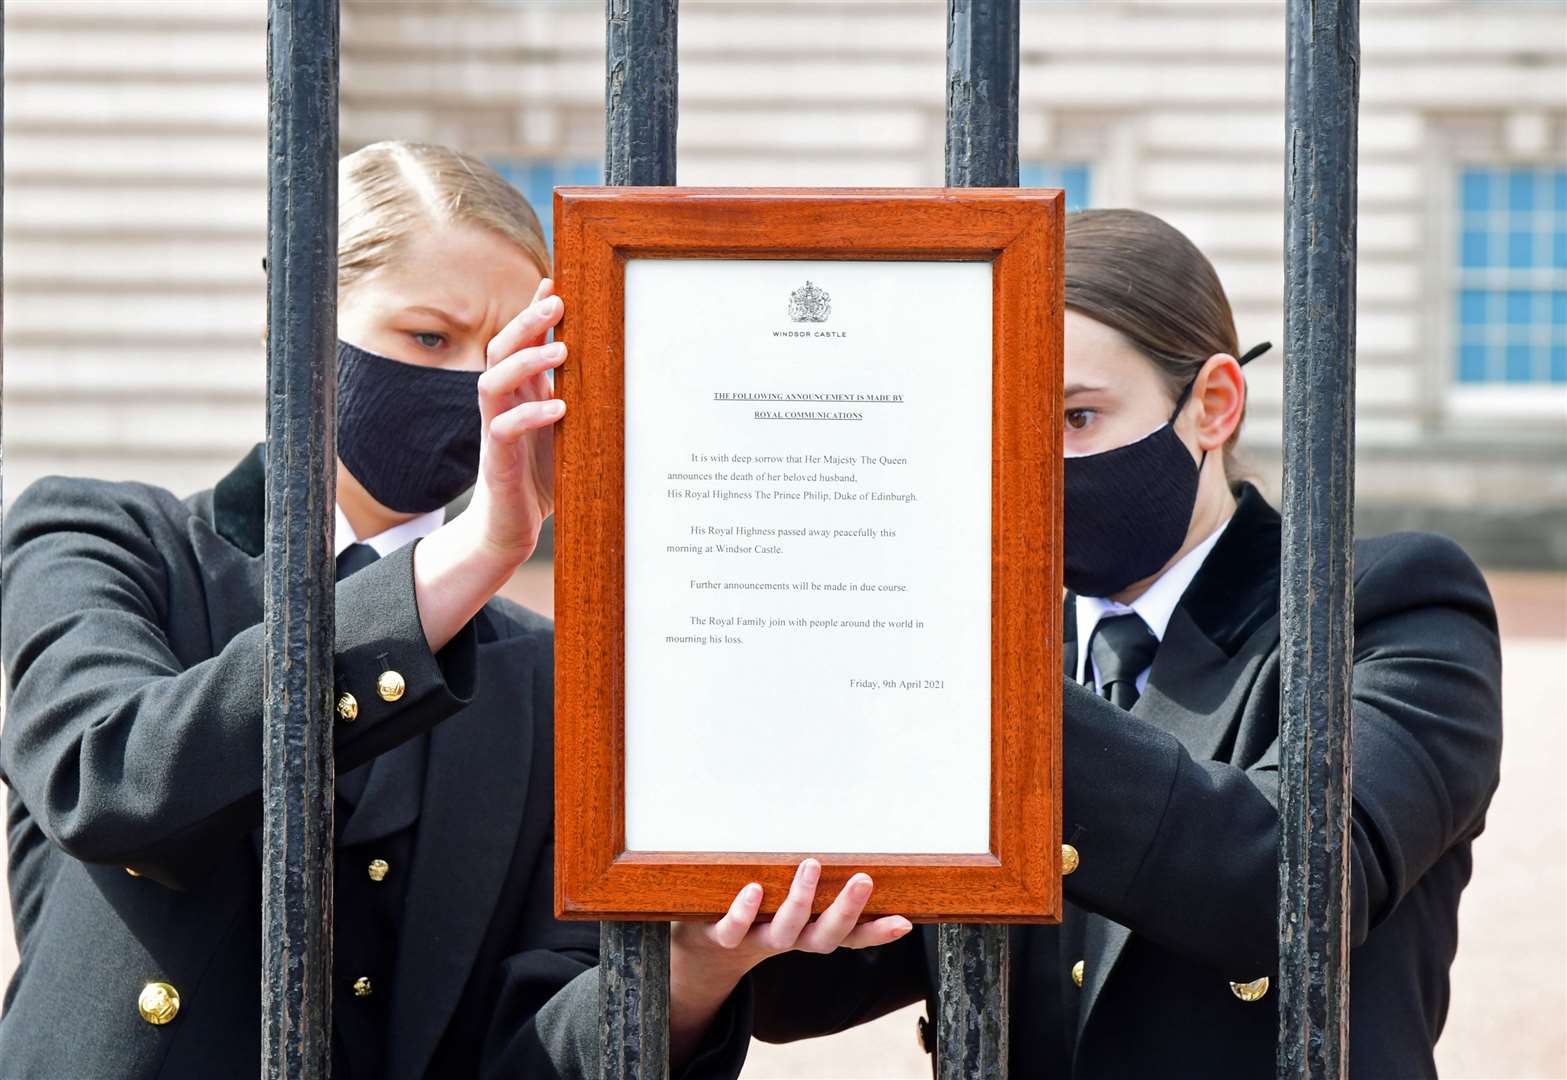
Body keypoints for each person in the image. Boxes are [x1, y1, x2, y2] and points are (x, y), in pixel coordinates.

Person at [0, 140, 911, 1079]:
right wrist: (474, 556)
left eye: (508, 353)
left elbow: (528, 1050)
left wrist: (687, 970)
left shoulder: (546, 673)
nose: (476, 388)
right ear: (297, 325)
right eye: (428, 339)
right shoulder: (109, 535)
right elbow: (105, 783)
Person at [748, 208, 1504, 1078]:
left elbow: (1294, 888)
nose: (1029, 461)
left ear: (1212, 405)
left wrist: (978, 679)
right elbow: (819, 985)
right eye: (996, 424)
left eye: (1075, 418)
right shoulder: (986, 642)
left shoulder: (1386, 605)